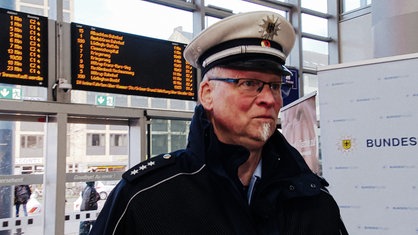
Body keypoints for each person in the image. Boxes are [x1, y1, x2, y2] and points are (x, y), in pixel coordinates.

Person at [90, 11, 348, 234]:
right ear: (207, 94)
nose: (269, 99)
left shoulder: (312, 198)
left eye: (275, 86)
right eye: (249, 84)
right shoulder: (145, 198)